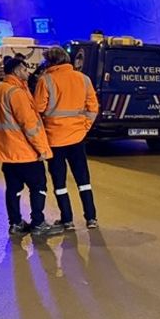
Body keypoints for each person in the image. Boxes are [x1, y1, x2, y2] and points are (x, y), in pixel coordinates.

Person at [0, 57, 61, 237]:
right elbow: (30, 125)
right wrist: (42, 150)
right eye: (25, 69)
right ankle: (38, 223)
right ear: (16, 70)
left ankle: (15, 223)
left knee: (13, 189)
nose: (27, 72)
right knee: (39, 187)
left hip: (7, 152)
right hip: (25, 152)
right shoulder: (16, 93)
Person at [34, 47, 100, 229]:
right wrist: (84, 128)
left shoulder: (45, 80)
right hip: (77, 138)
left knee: (59, 182)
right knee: (83, 180)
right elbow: (93, 108)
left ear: (50, 62)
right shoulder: (83, 79)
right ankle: (91, 217)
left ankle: (67, 219)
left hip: (54, 139)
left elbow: (38, 110)